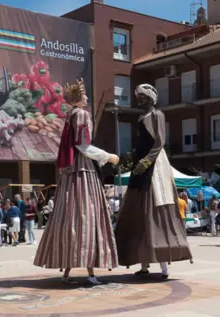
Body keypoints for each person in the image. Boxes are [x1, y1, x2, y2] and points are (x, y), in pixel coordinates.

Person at [34, 79, 120, 285]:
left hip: (71, 171)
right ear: (77, 98)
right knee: (86, 215)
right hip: (83, 168)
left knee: (71, 215)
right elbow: (82, 144)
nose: (87, 98)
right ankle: (90, 271)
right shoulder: (81, 114)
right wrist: (107, 156)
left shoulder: (70, 115)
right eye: (83, 95)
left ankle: (67, 270)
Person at [114, 84, 192, 280]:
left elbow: (159, 142)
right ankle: (144, 264)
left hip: (154, 166)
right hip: (140, 166)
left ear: (151, 98)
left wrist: (147, 161)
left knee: (155, 208)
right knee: (140, 212)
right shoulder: (141, 117)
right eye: (137, 97)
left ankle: (164, 267)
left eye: (142, 97)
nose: (139, 100)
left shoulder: (157, 115)